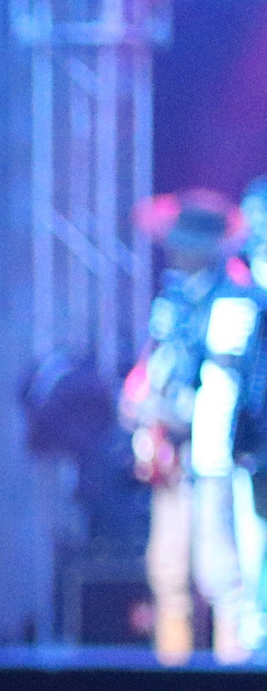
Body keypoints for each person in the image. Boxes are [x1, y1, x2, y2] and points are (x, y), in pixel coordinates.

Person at [123, 189, 262, 663]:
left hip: (212, 454)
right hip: (172, 456)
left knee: (219, 570)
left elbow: (227, 384)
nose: (176, 252)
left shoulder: (235, 300)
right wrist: (141, 392)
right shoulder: (176, 297)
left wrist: (177, 413)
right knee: (166, 569)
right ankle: (172, 673)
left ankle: (233, 676)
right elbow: (159, 356)